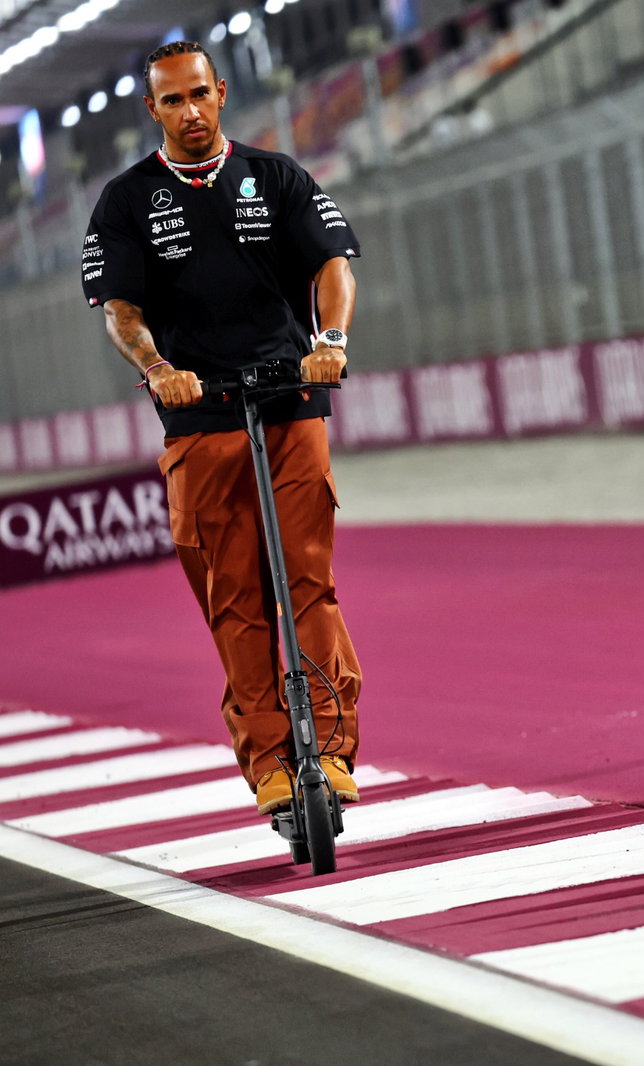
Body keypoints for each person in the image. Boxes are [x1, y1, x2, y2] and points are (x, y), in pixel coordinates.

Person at [81, 41, 363, 816]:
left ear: (222, 92)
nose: (190, 111)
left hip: (289, 401)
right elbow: (122, 312)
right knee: (235, 597)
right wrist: (158, 367)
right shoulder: (126, 200)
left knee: (309, 581)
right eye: (172, 101)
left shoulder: (276, 177)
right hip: (199, 414)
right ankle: (272, 763)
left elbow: (334, 264)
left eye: (200, 94)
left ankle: (332, 750)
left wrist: (329, 344)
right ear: (154, 110)